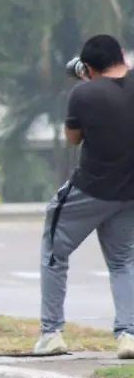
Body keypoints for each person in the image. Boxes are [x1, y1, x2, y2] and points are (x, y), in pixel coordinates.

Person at [35, 34, 134, 358]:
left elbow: (73, 139)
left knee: (53, 250)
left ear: (88, 68)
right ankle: (129, 335)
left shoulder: (84, 93)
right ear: (122, 55)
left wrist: (86, 85)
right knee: (123, 262)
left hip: (91, 188)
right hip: (129, 192)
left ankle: (51, 333)